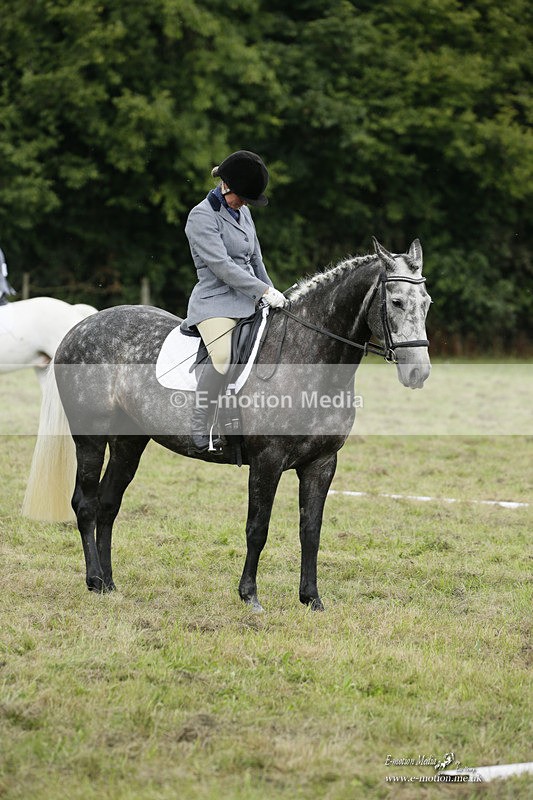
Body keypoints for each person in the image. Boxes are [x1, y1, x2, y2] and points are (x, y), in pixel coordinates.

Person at [181, 149, 287, 452]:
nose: (242, 203)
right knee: (223, 358)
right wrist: (263, 292)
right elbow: (223, 267)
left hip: (250, 300)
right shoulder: (201, 216)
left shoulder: (244, 212)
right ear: (224, 186)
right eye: (240, 196)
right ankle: (200, 424)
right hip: (215, 302)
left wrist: (272, 290)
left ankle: (241, 420)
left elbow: (256, 259)